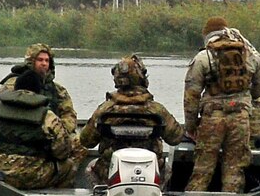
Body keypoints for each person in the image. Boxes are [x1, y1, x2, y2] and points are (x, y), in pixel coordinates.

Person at [183, 16, 260, 192]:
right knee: (235, 169)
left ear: (207, 35)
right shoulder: (249, 54)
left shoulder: (203, 57)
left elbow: (191, 97)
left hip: (211, 119)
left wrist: (191, 126)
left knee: (203, 170)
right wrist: (244, 98)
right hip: (241, 119)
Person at [0, 69, 78, 190]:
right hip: (32, 177)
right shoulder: (48, 116)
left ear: (16, 88)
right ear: (38, 91)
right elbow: (62, 151)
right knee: (68, 166)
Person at [78, 54, 186, 184]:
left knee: (90, 167)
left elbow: (86, 141)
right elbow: (176, 138)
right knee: (167, 168)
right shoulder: (157, 110)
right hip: (149, 173)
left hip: (110, 173)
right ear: (142, 78)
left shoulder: (105, 110)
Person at [1, 43, 78, 132]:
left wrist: (59, 130)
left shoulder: (58, 90)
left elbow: (69, 114)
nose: (44, 64)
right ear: (31, 62)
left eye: (47, 60)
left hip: (49, 132)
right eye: (40, 60)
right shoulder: (13, 83)